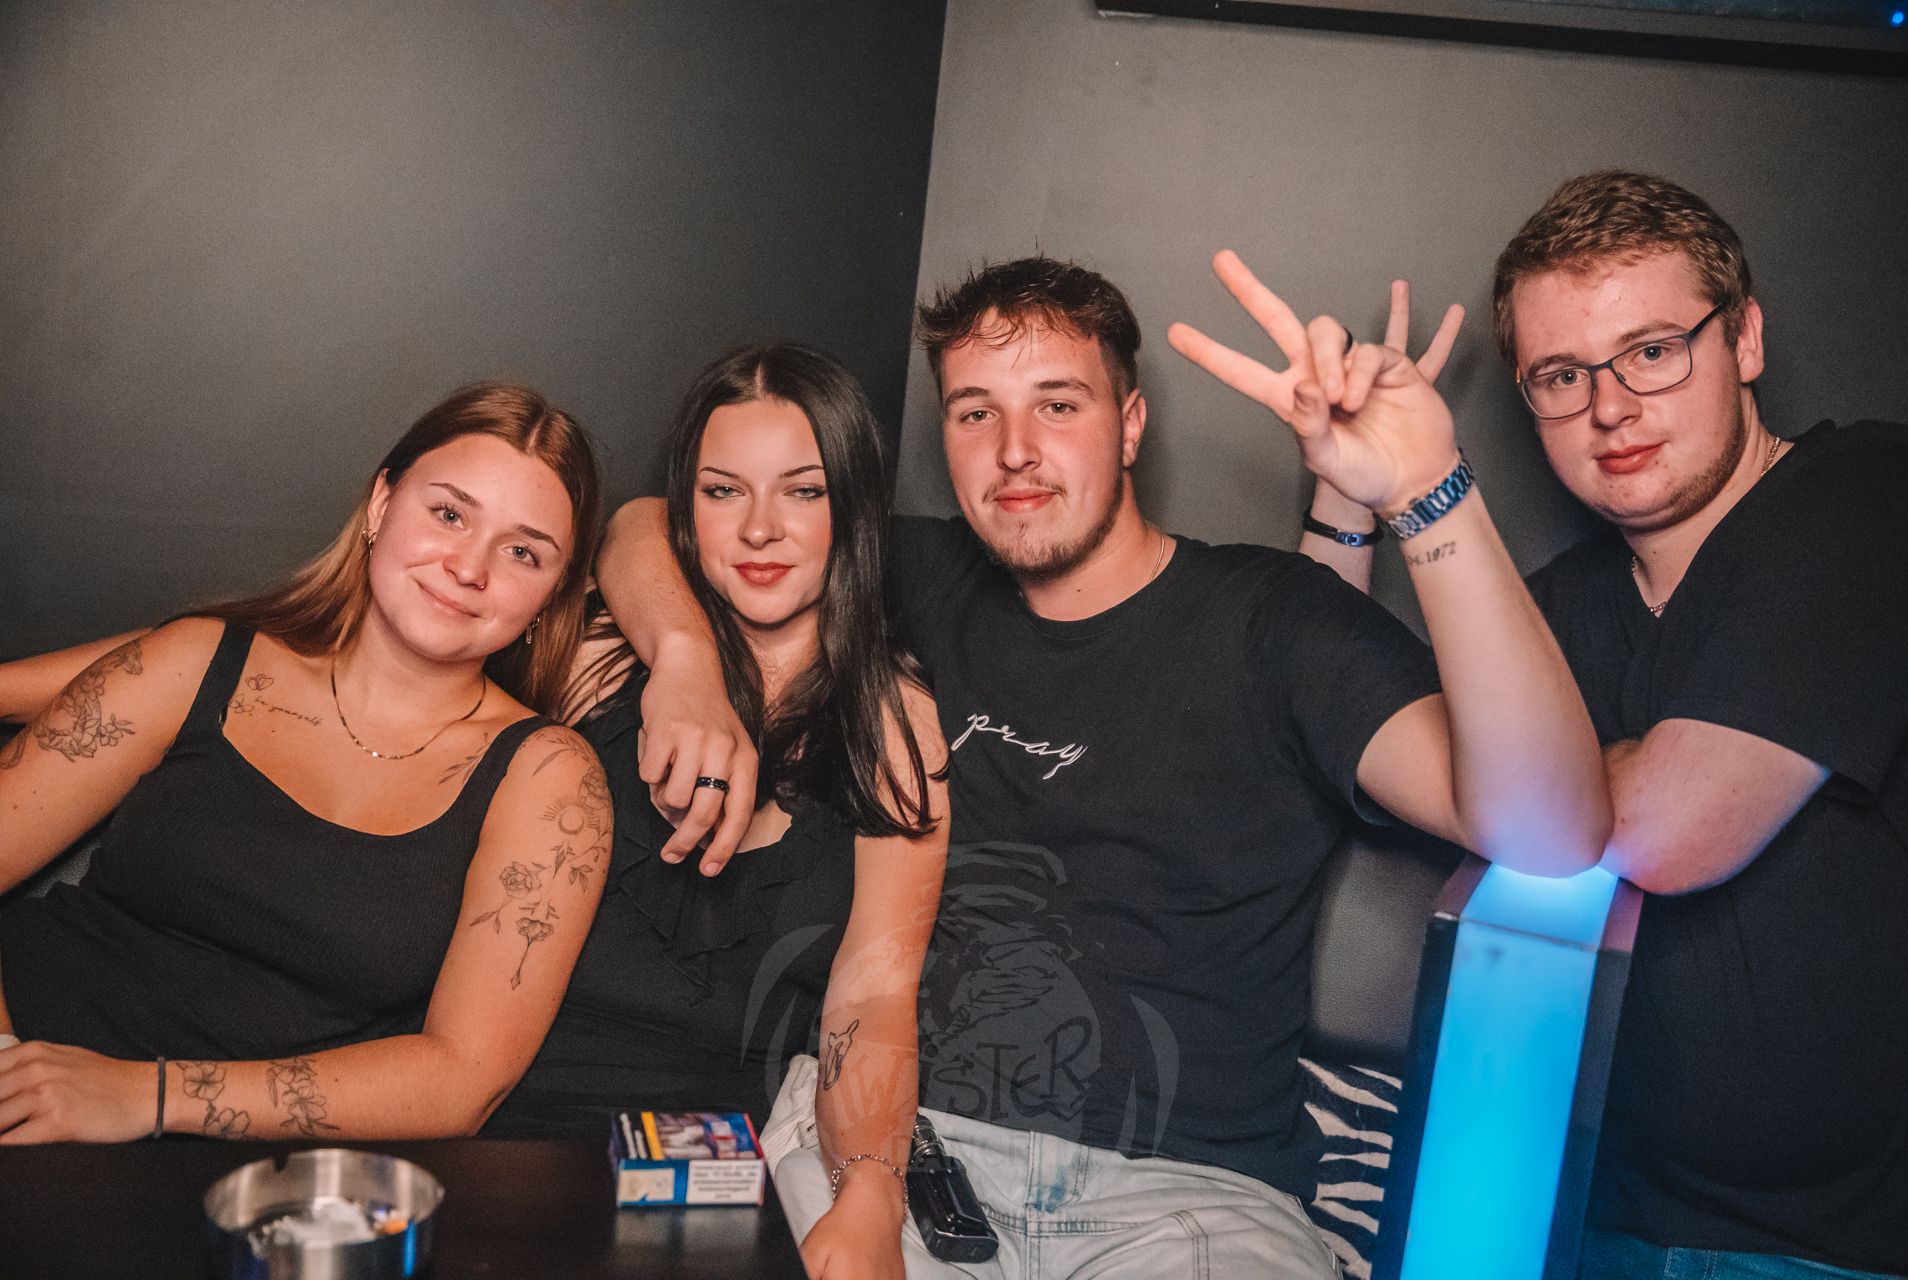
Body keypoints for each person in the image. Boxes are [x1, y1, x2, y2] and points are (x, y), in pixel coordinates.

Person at [596, 257, 1611, 1278]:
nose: (1015, 450)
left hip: (1193, 1198)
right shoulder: (917, 576)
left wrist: (1429, 492)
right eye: (975, 413)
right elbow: (650, 522)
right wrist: (684, 661)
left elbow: (1555, 830)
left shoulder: (1275, 620)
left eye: (1057, 404)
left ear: (1129, 424)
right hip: (911, 1153)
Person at [1490, 172, 1908, 1280]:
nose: (1610, 408)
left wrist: (1550, 782)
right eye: (1562, 375)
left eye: (1652, 352)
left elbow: (1665, 831)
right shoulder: (1549, 612)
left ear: (1745, 340)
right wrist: (1351, 499)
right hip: (1591, 1228)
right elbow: (1363, 739)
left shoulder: (1873, 494)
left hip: (1840, 1252)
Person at [0, 382, 611, 1144]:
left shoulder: (549, 780)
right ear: (382, 504)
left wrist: (145, 1096)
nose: (468, 566)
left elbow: (462, 1079)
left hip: (244, 1170)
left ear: (554, 595)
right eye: (449, 514)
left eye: (522, 552)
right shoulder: (200, 660)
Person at [484, 344, 951, 1280]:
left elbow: (873, 996)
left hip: (710, 1172)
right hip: (497, 1128)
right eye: (723, 491)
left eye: (804, 491)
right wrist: (682, 663)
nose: (761, 529)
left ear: (855, 507)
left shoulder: (896, 727)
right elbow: (626, 525)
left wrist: (871, 1195)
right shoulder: (602, 658)